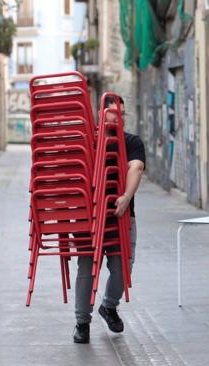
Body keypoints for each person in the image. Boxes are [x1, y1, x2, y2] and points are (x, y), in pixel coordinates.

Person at [73, 96, 146, 344]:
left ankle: (109, 306)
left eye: (123, 113)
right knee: (86, 269)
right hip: (88, 219)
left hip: (121, 216)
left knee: (123, 267)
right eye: (115, 112)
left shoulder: (131, 142)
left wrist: (126, 197)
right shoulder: (87, 143)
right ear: (102, 114)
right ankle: (82, 323)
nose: (120, 117)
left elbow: (135, 168)